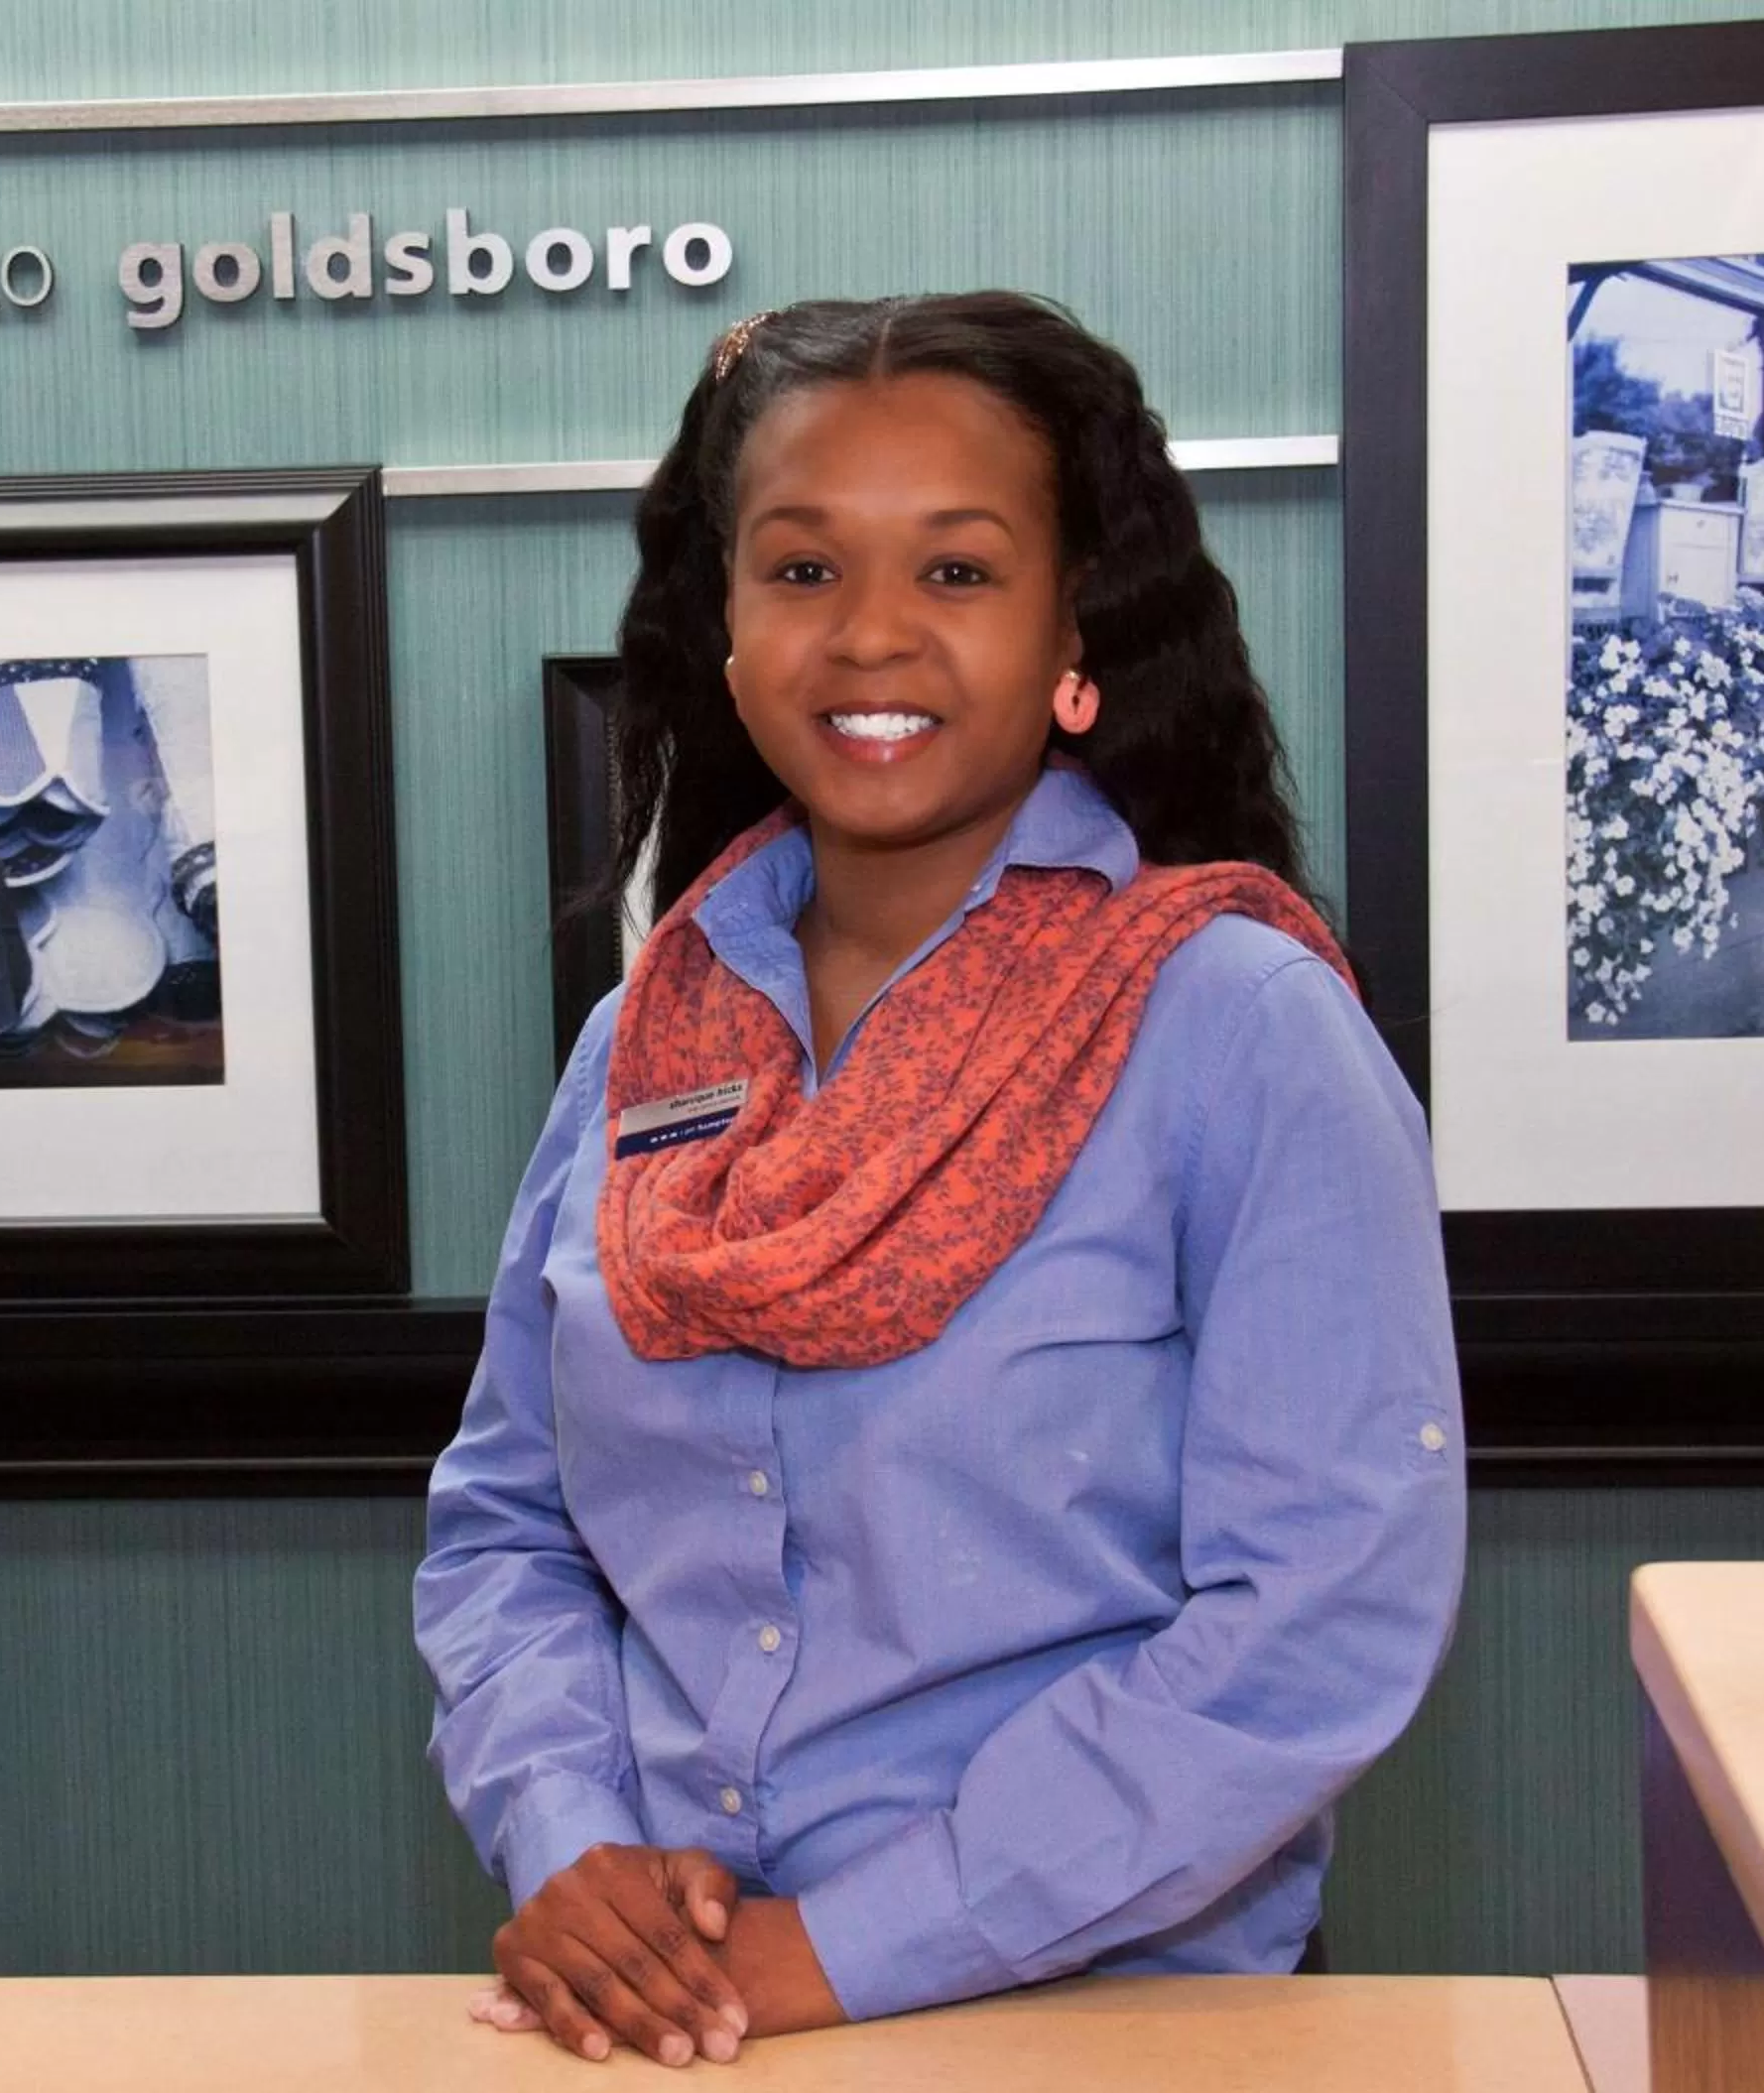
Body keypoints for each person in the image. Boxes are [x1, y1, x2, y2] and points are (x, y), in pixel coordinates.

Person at [412, 292, 1464, 2067]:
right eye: (803, 572)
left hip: (1106, 2018)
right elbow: (508, 1523)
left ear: (1079, 628)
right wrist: (569, 1840)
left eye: (959, 574)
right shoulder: (638, 1049)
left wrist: (838, 1947)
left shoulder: (1236, 1027)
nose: (872, 637)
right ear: (728, 634)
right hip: (661, 2012)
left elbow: (1320, 1611)